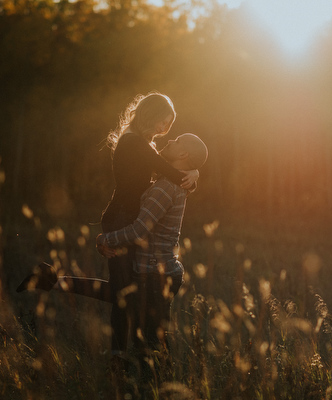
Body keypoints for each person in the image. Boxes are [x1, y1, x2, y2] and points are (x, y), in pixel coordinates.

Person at [17, 92, 199, 356]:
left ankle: (52, 282)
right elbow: (173, 174)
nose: (165, 130)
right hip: (121, 217)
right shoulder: (134, 142)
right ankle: (117, 355)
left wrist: (193, 170)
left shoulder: (143, 144)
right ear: (151, 115)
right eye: (164, 122)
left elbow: (169, 175)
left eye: (169, 125)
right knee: (121, 294)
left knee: (123, 293)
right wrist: (194, 170)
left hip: (126, 216)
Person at [95, 133, 208, 385]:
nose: (169, 140)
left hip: (155, 276)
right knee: (149, 343)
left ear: (183, 155)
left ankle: (157, 389)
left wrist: (106, 239)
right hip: (161, 273)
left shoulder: (165, 188)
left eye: (177, 140)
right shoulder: (172, 183)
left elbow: (138, 230)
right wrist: (196, 173)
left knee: (150, 349)